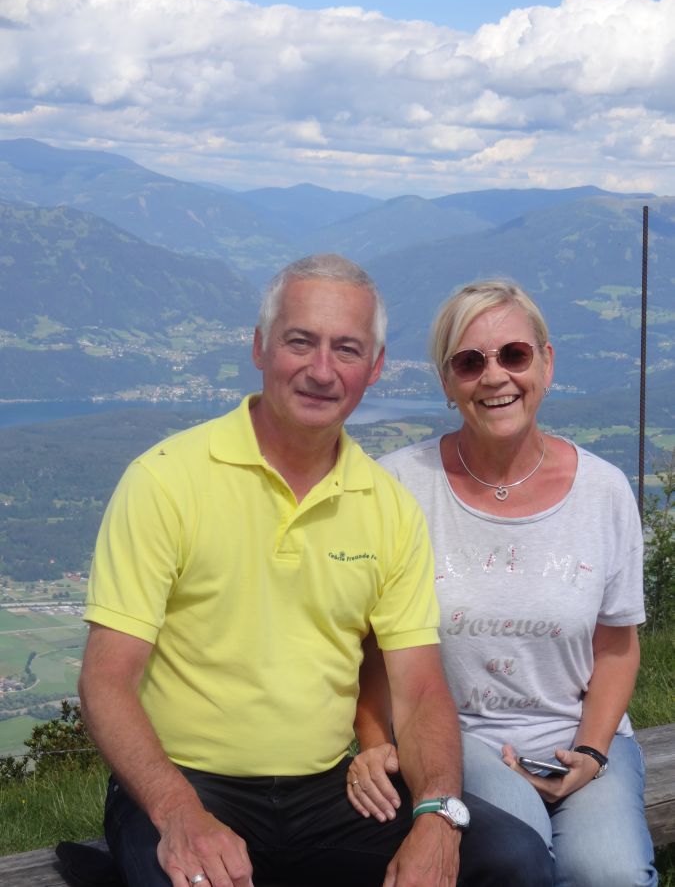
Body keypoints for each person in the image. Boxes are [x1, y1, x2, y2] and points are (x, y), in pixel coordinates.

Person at [78, 256, 554, 887]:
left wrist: (437, 817)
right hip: (185, 783)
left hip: (327, 789)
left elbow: (419, 690)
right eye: (300, 342)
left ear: (375, 367)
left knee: (514, 859)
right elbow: (105, 682)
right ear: (260, 347)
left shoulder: (388, 509)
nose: (322, 371)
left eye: (347, 349)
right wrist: (179, 815)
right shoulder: (165, 481)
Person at [347, 278, 657, 887]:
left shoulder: (603, 492)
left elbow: (617, 646)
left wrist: (591, 754)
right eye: (470, 362)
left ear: (546, 363)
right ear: (447, 382)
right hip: (456, 739)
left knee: (612, 873)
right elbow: (370, 647)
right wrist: (375, 740)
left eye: (514, 355)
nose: (495, 377)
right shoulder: (400, 487)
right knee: (520, 846)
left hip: (578, 736)